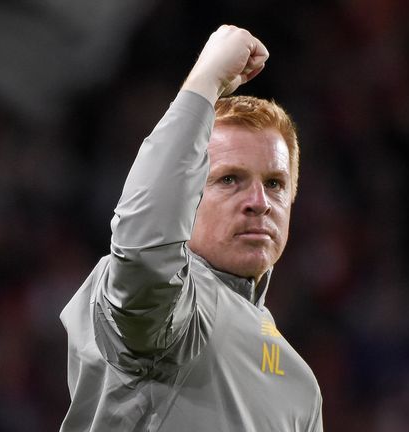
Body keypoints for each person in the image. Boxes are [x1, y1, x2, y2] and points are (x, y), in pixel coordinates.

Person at [59, 25, 323, 431]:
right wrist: (205, 81)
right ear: (187, 196)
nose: (259, 202)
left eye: (274, 183)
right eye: (229, 179)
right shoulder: (173, 313)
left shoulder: (303, 387)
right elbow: (145, 250)